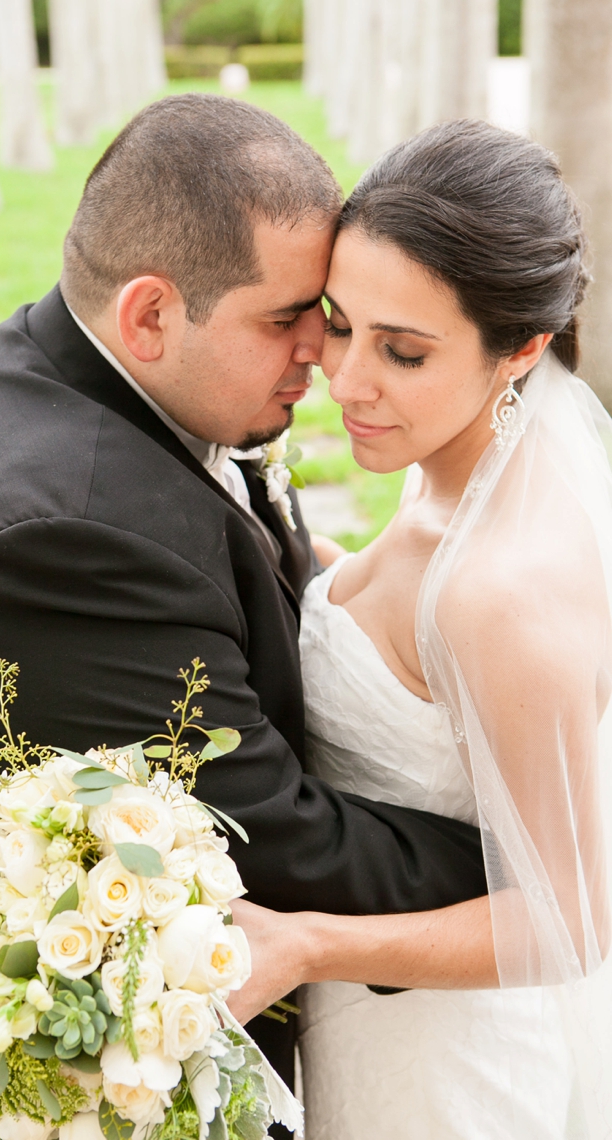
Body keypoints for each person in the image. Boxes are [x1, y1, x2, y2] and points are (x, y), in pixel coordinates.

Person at [0, 95, 488, 1139]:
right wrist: (530, 871)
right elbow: (274, 843)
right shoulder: (69, 541)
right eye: (289, 319)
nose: (322, 360)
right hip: (12, 1084)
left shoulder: (98, 373)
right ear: (148, 313)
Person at [228, 119, 612, 1138]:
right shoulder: (456, 468)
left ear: (519, 349)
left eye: (401, 351)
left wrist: (306, 945)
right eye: (339, 324)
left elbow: (569, 920)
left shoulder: (501, 587)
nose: (347, 381)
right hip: (380, 1023)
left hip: (447, 1069)